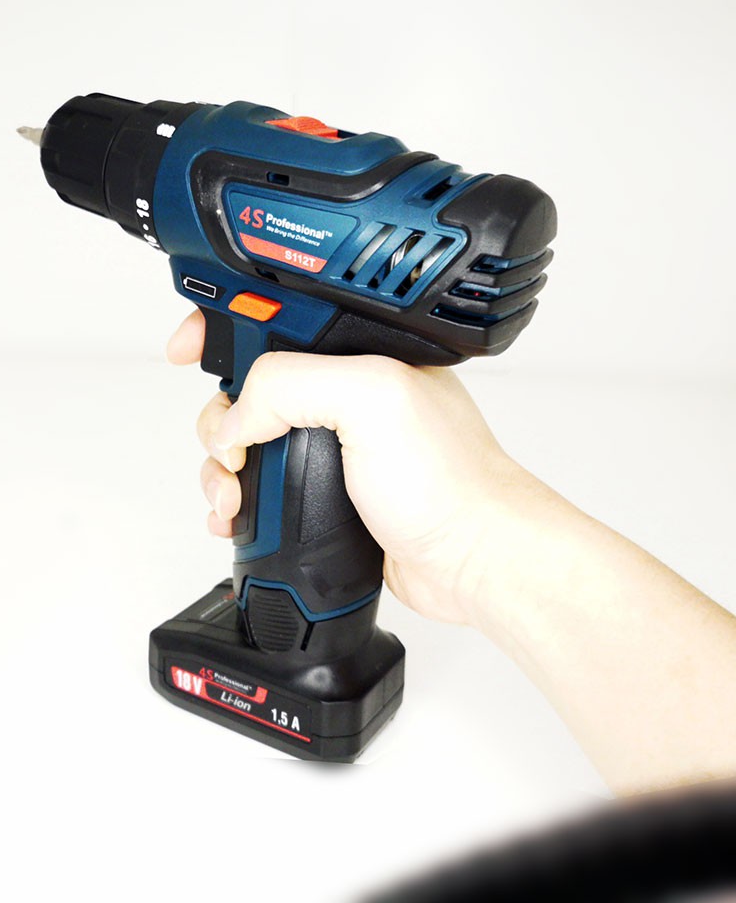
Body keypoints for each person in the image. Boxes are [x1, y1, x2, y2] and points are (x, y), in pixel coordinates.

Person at [166, 309, 736, 796]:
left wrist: (471, 540)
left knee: (263, 422)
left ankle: (288, 642)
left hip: (298, 643)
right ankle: (306, 644)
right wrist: (473, 545)